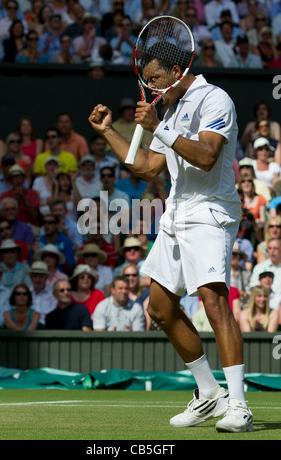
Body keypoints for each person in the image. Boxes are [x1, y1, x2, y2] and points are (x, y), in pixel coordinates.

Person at [88, 43, 254, 432]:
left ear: (178, 70)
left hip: (211, 211)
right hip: (176, 212)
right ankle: (209, 393)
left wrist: (157, 127)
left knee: (214, 302)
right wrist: (108, 131)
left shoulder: (215, 99)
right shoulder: (172, 110)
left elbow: (208, 156)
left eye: (156, 79)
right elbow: (146, 168)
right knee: (160, 308)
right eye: (146, 81)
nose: (151, 88)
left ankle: (239, 406)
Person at [28, 260, 57, 326]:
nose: (38, 280)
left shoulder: (53, 292)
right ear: (31, 277)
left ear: (46, 277)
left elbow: (53, 314)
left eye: (41, 276)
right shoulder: (25, 292)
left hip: (47, 327)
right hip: (27, 328)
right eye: (35, 276)